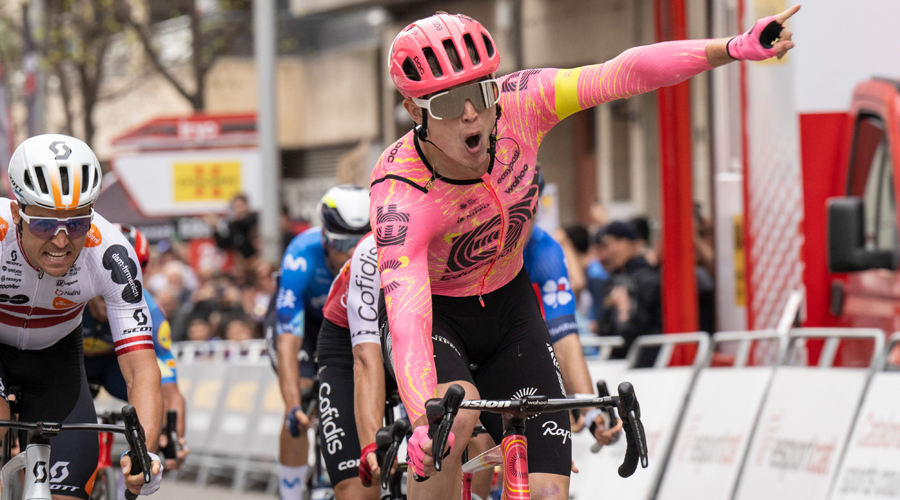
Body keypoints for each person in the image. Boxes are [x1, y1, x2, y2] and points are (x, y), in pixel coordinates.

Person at [370, 8, 799, 499]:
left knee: (550, 491)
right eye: (449, 102)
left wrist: (732, 47)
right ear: (415, 112)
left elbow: (622, 73)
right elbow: (407, 320)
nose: (471, 114)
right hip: (437, 315)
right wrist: (422, 420)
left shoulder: (523, 103)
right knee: (454, 419)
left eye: (481, 93)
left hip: (509, 305)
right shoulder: (400, 190)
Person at [0, 134, 163, 498]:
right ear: (16, 214)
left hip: (56, 360)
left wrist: (145, 452)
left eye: (76, 224)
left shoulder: (111, 253)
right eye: (44, 224)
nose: (61, 241)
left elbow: (141, 367)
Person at [265, 185, 370, 500]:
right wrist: (292, 404)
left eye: (361, 243)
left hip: (349, 324)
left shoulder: (379, 254)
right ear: (325, 239)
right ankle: (291, 492)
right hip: (306, 326)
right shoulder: (301, 254)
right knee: (302, 397)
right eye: (342, 244)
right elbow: (288, 339)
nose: (352, 254)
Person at [82, 224, 190, 471]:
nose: (115, 286)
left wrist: (172, 438)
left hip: (115, 368)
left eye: (129, 276)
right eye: (105, 274)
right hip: (73, 362)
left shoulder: (151, 312)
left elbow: (170, 393)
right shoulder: (68, 296)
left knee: (154, 394)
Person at [314, 233, 384, 500]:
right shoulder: (370, 250)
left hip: (409, 340)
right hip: (347, 344)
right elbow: (365, 357)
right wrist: (369, 446)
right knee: (360, 488)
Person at [595, 221, 663, 360]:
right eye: (607, 244)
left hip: (644, 361)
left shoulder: (647, 279)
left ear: (634, 243)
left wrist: (624, 313)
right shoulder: (615, 279)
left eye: (618, 241)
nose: (613, 249)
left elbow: (640, 330)